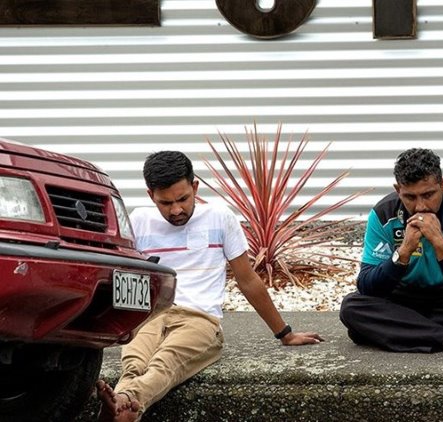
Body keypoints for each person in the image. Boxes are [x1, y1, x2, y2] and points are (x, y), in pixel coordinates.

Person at [96, 151, 323, 421]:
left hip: (199, 319)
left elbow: (247, 279)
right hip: (151, 316)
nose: (176, 209)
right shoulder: (139, 221)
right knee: (133, 362)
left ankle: (126, 402)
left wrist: (284, 333)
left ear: (195, 187)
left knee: (165, 361)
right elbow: (124, 280)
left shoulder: (219, 218)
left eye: (183, 199)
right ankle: (124, 407)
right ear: (150, 196)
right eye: (165, 203)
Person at [339, 148, 443, 357]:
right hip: (406, 297)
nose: (420, 206)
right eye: (410, 197)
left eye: (428, 195)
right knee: (351, 308)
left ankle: (394, 330)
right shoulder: (383, 214)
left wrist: (440, 243)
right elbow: (367, 286)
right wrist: (403, 252)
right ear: (398, 190)